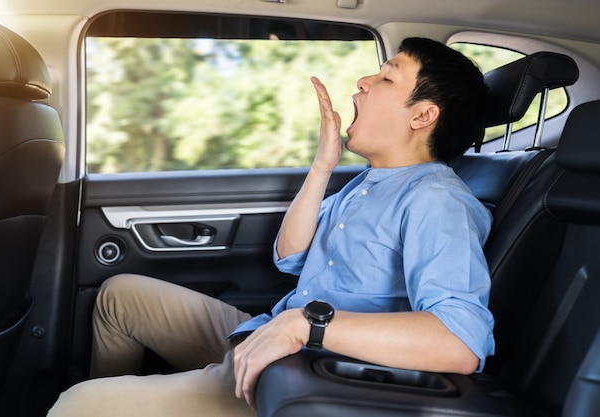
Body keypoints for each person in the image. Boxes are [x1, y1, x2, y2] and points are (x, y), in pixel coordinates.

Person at [47, 37, 494, 417]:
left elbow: (460, 341)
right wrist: (322, 167)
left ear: (422, 116)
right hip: (268, 333)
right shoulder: (369, 182)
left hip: (302, 375)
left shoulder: (437, 200)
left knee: (75, 405)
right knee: (118, 297)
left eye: (386, 77)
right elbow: (291, 256)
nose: (363, 82)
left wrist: (308, 326)